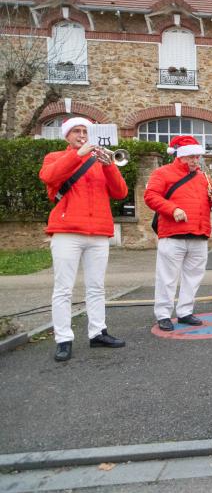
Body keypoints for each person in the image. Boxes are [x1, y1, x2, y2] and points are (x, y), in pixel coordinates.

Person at [39, 117, 128, 362]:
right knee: (63, 289)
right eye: (76, 131)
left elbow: (120, 192)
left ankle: (98, 332)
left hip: (98, 232)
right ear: (67, 136)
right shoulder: (55, 157)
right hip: (67, 231)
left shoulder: (100, 160)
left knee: (97, 287)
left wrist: (109, 164)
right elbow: (48, 176)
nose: (82, 134)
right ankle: (63, 339)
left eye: (86, 131)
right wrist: (79, 154)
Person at [144, 135, 211, 332]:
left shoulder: (203, 177)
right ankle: (163, 314)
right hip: (173, 233)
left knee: (194, 276)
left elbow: (205, 202)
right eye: (190, 156)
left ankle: (185, 311)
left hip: (199, 232)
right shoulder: (162, 173)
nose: (195, 160)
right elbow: (150, 196)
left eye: (197, 157)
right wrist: (172, 209)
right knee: (167, 277)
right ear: (180, 156)